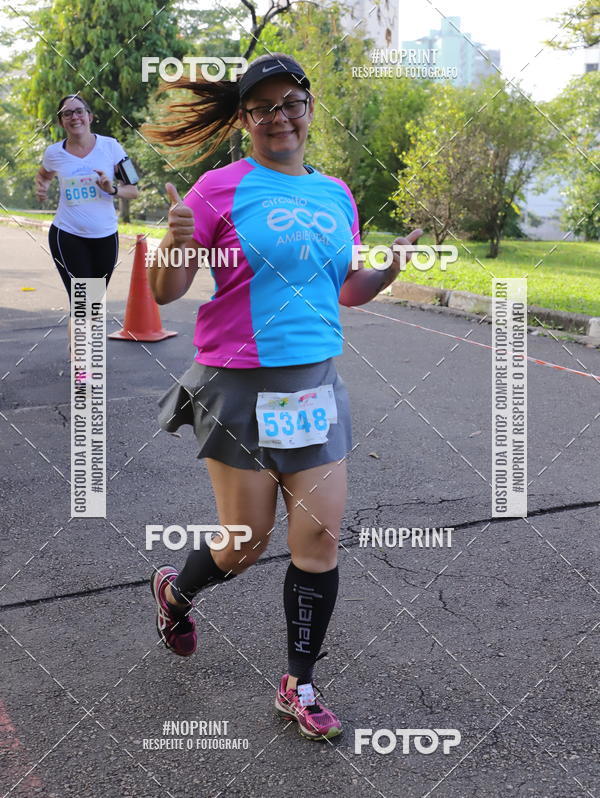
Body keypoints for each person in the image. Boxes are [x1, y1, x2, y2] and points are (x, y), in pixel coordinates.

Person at [145, 53, 422, 741]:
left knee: (318, 539)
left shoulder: (336, 194)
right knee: (244, 542)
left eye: (291, 101)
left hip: (314, 388)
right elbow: (164, 294)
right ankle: (177, 593)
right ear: (245, 121)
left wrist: (384, 270)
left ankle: (299, 681)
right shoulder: (218, 189)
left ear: (309, 108)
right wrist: (174, 249)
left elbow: (344, 288)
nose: (280, 117)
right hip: (237, 386)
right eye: (263, 107)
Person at [34, 94, 139, 360]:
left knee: (94, 301)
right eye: (67, 113)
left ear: (90, 116)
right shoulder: (54, 153)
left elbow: (134, 191)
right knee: (83, 300)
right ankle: (82, 362)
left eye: (79, 111)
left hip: (105, 236)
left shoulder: (111, 147)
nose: (74, 117)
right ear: (61, 122)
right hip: (67, 234)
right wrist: (42, 187)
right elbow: (44, 173)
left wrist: (112, 188)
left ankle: (78, 347)